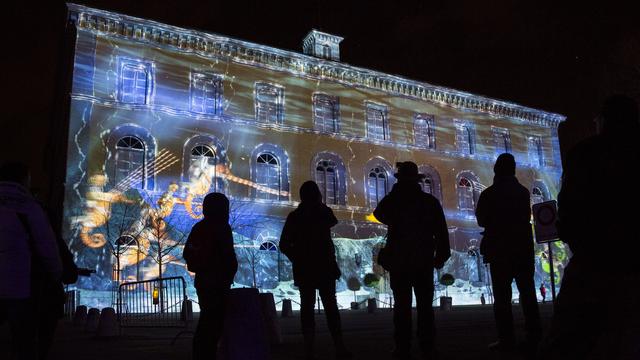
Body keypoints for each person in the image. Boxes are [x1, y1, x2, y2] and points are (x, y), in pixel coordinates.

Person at [540, 95, 640, 359]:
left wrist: (577, 240)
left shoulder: (586, 153)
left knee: (569, 338)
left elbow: (570, 204)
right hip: (630, 260)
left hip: (594, 259)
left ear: (604, 120)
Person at [373, 161, 450, 360]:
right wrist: (441, 255)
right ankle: (427, 346)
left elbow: (378, 213)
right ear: (417, 180)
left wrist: (396, 193)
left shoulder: (395, 200)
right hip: (423, 259)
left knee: (402, 306)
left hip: (400, 260)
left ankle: (402, 346)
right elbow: (441, 231)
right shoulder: (429, 201)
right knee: (425, 307)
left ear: (399, 180)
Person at [475, 153, 541, 353]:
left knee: (502, 297)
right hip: (522, 248)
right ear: (513, 170)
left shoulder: (489, 194)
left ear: (496, 170)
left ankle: (506, 338)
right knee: (528, 293)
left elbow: (482, 219)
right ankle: (534, 335)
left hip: (500, 249)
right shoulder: (522, 192)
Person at [279, 181, 352, 360]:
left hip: (305, 269)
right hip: (324, 266)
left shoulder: (295, 216)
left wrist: (298, 257)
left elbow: (284, 244)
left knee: (307, 308)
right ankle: (339, 346)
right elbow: (332, 221)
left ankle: (310, 349)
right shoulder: (323, 212)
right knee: (331, 307)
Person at [0, 161, 62, 360]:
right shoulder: (29, 207)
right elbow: (47, 245)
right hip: (19, 285)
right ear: (23, 180)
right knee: (23, 341)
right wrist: (56, 272)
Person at [183, 192, 238, 360]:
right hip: (218, 282)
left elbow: (188, 253)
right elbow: (227, 256)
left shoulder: (199, 227)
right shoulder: (222, 228)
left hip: (205, 281)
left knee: (207, 322)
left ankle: (203, 354)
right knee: (213, 324)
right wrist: (229, 272)